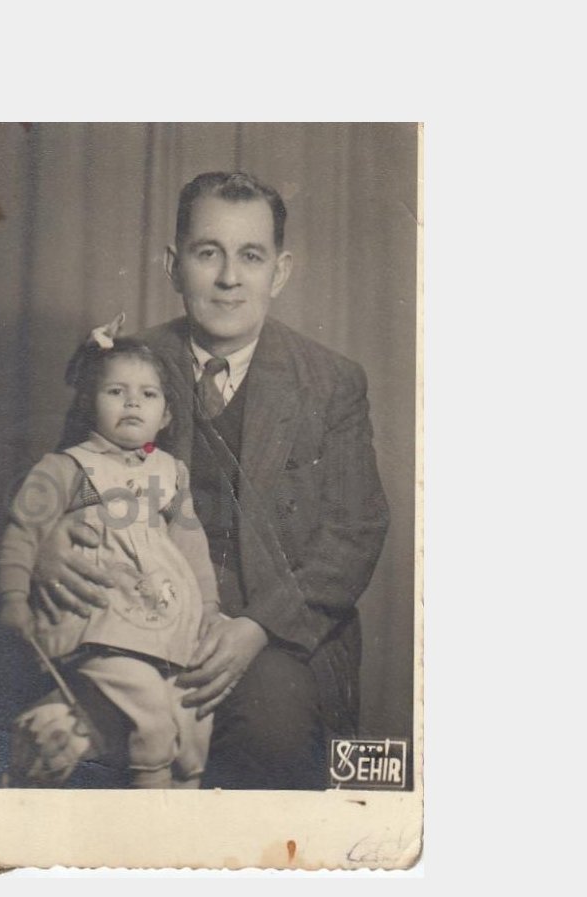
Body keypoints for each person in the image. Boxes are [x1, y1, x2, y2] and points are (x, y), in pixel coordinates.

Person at [32, 171, 390, 789]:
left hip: (273, 634)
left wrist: (256, 628)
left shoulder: (331, 382)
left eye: (250, 256)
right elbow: (66, 497)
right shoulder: (123, 367)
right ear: (174, 266)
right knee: (79, 746)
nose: (229, 278)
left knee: (272, 731)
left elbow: (355, 533)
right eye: (208, 254)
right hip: (134, 619)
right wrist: (65, 552)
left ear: (279, 272)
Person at [0, 331, 221, 788]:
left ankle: (184, 795)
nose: (132, 403)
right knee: (149, 716)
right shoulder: (66, 467)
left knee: (191, 721)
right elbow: (23, 532)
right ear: (89, 403)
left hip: (162, 618)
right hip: (101, 621)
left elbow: (190, 544)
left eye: (148, 394)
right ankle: (147, 790)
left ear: (166, 414)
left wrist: (209, 609)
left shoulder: (170, 472)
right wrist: (14, 598)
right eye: (116, 391)